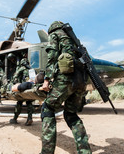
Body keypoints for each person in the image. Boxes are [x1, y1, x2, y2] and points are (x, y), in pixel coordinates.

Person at [40, 21, 91, 154]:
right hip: (80, 80)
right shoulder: (74, 40)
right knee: (71, 114)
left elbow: (52, 58)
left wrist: (46, 80)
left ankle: (46, 152)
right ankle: (84, 151)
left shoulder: (55, 35)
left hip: (65, 78)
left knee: (48, 109)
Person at [9, 57, 34, 126]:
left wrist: (15, 84)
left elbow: (15, 77)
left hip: (22, 88)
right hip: (30, 88)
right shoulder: (31, 69)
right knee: (29, 103)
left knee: (19, 103)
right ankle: (29, 118)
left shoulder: (21, 68)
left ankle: (15, 118)